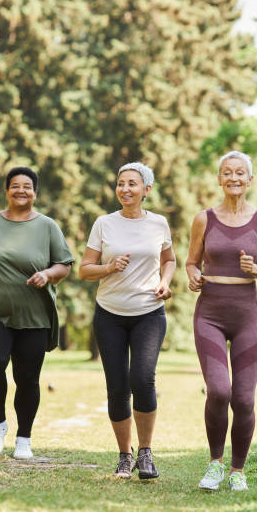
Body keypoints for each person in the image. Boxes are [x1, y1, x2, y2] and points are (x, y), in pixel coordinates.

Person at [0, 166, 74, 459]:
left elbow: (64, 264)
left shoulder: (47, 226)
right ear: (6, 190)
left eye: (27, 186)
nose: (21, 190)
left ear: (35, 193)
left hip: (34, 315)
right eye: (15, 186)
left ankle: (24, 437)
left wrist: (48, 274)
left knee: (27, 378)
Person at [185, 151, 257, 492]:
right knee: (219, 390)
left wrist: (255, 269)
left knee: (244, 399)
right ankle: (215, 464)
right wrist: (194, 276)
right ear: (219, 178)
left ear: (250, 180)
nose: (234, 178)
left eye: (240, 173)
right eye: (227, 173)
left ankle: (238, 470)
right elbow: (191, 262)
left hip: (247, 316)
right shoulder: (204, 219)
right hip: (209, 313)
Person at [79, 162, 176, 480]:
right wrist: (108, 267)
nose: (125, 189)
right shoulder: (104, 224)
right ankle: (124, 456)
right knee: (117, 387)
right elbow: (84, 270)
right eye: (121, 183)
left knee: (143, 378)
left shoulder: (159, 223)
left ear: (146, 190)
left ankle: (146, 454)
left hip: (149, 312)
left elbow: (170, 259)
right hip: (109, 315)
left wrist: (165, 281)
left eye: (132, 184)